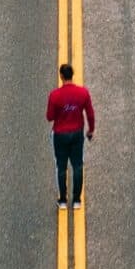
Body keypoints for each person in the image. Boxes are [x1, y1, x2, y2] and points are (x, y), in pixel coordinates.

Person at [46, 60, 95, 209]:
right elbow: (90, 114)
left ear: (61, 76)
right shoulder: (83, 93)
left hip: (60, 134)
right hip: (76, 133)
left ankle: (62, 200)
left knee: (61, 167)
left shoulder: (55, 95)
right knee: (77, 165)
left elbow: (49, 117)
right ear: (72, 76)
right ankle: (76, 200)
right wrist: (91, 130)